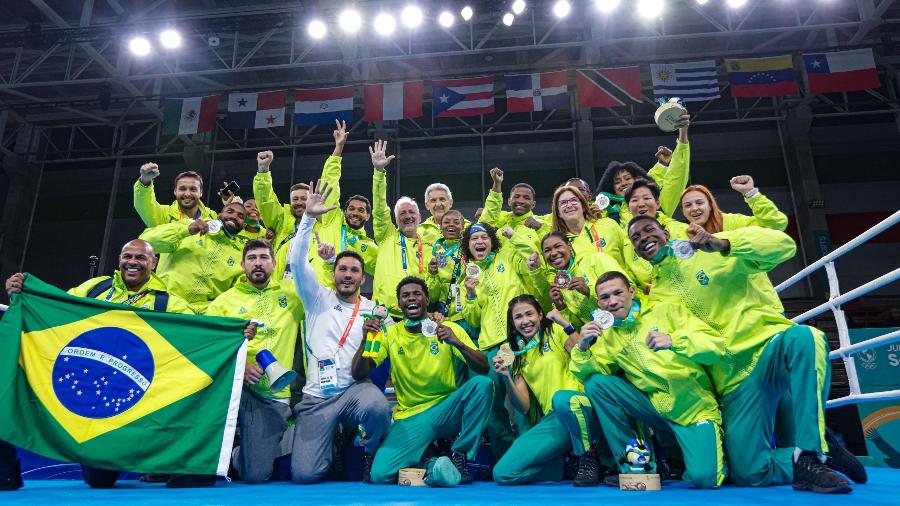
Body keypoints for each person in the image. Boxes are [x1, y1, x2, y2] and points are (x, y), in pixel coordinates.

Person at [628, 216, 866, 493]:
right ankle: (819, 455)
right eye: (635, 237)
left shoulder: (713, 252)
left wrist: (725, 243)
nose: (643, 237)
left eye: (648, 230)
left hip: (767, 347)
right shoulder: (657, 296)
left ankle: (811, 452)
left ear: (665, 231)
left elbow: (784, 246)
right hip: (732, 380)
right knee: (750, 472)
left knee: (806, 338)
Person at [3, 240, 247, 490]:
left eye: (141, 258)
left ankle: (168, 465)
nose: (132, 262)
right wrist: (25, 293)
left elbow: (202, 337)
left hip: (145, 400)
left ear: (154, 263)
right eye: (127, 256)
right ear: (119, 259)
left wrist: (237, 333)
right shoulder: (95, 288)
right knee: (99, 481)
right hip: (98, 404)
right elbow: (56, 309)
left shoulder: (170, 304)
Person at [570, 271, 727, 489]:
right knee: (596, 384)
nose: (613, 301)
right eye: (605, 297)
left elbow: (716, 347)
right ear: (599, 303)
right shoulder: (608, 336)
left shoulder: (664, 310)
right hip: (654, 408)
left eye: (618, 293)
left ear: (631, 292)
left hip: (692, 409)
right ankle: (634, 467)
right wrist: (583, 345)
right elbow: (588, 372)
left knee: (704, 478)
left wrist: (674, 341)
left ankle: (783, 460)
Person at [286, 181, 391, 484]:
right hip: (317, 397)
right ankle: (332, 442)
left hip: (354, 391)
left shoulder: (374, 311)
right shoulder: (316, 298)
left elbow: (375, 356)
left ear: (362, 277)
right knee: (305, 476)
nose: (347, 275)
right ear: (333, 273)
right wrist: (308, 218)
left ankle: (371, 450)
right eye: (342, 269)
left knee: (378, 407)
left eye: (354, 271)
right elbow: (295, 259)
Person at [352, 277, 492, 485]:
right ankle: (432, 461)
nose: (411, 298)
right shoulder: (390, 333)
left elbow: (483, 367)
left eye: (417, 294)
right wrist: (365, 339)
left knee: (482, 385)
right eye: (405, 295)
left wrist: (457, 343)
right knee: (379, 475)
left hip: (446, 408)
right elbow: (358, 373)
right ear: (399, 304)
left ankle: (459, 454)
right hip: (412, 417)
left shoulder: (448, 328)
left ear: (427, 299)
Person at [204, 238, 300, 484]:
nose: (258, 263)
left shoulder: (292, 294)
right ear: (242, 264)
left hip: (272, 396)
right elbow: (209, 347)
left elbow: (323, 298)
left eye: (264, 258)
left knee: (255, 475)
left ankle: (238, 452)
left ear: (274, 263)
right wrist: (240, 368)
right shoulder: (223, 302)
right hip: (233, 389)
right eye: (252, 258)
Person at [492, 296, 601, 487]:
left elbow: (581, 350)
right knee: (503, 473)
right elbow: (523, 406)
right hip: (554, 419)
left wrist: (565, 324)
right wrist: (506, 377)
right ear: (513, 322)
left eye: (529, 314)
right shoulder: (517, 354)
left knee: (561, 399)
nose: (525, 321)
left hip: (580, 405)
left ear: (540, 314)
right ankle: (566, 469)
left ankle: (587, 458)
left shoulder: (554, 331)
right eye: (518, 317)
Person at [254, 121, 374, 282]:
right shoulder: (280, 223)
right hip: (282, 292)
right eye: (295, 199)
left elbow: (329, 182)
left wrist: (338, 149)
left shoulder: (326, 222)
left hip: (318, 291)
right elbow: (266, 201)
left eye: (304, 198)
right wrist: (263, 172)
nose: (299, 202)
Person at [459, 222, 538, 462]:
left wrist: (515, 238)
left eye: (484, 237)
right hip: (488, 346)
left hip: (516, 340)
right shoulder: (469, 276)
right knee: (493, 409)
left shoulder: (508, 255)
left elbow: (532, 259)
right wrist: (470, 295)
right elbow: (472, 319)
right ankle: (505, 460)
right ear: (468, 246)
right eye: (474, 239)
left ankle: (530, 459)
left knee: (525, 405)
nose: (479, 242)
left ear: (492, 241)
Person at [138, 202, 247, 312]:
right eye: (230, 212)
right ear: (218, 215)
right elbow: (144, 243)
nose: (234, 217)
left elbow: (237, 294)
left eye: (240, 216)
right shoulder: (189, 226)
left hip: (202, 316)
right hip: (166, 304)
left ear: (243, 225)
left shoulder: (241, 255)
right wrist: (186, 230)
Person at [370, 140, 432, 317]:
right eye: (402, 213)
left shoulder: (429, 244)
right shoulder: (386, 235)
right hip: (386, 314)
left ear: (420, 217)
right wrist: (379, 172)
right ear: (395, 220)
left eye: (411, 212)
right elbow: (380, 207)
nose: (407, 216)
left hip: (419, 313)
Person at [594, 112, 690, 225]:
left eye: (627, 178)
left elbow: (676, 177)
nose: (623, 183)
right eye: (617, 182)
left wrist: (683, 134)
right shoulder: (603, 213)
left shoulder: (655, 205)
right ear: (612, 189)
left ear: (637, 181)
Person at [533, 231, 627, 329]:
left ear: (569, 246)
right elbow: (578, 327)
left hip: (626, 324)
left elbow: (628, 290)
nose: (553, 253)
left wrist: (589, 291)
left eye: (558, 246)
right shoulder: (559, 286)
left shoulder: (596, 260)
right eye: (547, 250)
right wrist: (561, 307)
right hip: (601, 337)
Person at [620, 178, 688, 291]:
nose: (641, 204)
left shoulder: (680, 229)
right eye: (635, 200)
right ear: (628, 209)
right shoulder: (627, 243)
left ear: (657, 204)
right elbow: (632, 282)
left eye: (646, 198)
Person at [549, 184, 625, 267]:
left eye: (573, 200)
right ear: (558, 213)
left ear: (583, 206)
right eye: (563, 203)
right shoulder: (561, 244)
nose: (569, 205)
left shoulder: (609, 225)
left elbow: (630, 256)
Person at [478, 168, 547, 249]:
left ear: (533, 204)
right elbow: (489, 215)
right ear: (509, 201)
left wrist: (540, 229)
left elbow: (550, 245)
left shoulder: (540, 225)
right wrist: (497, 183)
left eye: (526, 198)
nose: (520, 201)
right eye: (516, 196)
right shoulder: (501, 222)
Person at [133, 164, 218, 226]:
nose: (187, 194)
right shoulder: (164, 215)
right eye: (182, 189)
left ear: (201, 192)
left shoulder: (212, 216)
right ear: (175, 191)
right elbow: (144, 205)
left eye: (193, 189)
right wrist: (145, 181)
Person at [426, 209, 468, 323]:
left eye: (456, 222)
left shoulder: (469, 248)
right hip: (443, 309)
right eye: (446, 222)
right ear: (440, 227)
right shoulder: (438, 252)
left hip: (465, 307)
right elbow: (433, 295)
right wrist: (433, 274)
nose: (451, 224)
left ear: (463, 227)